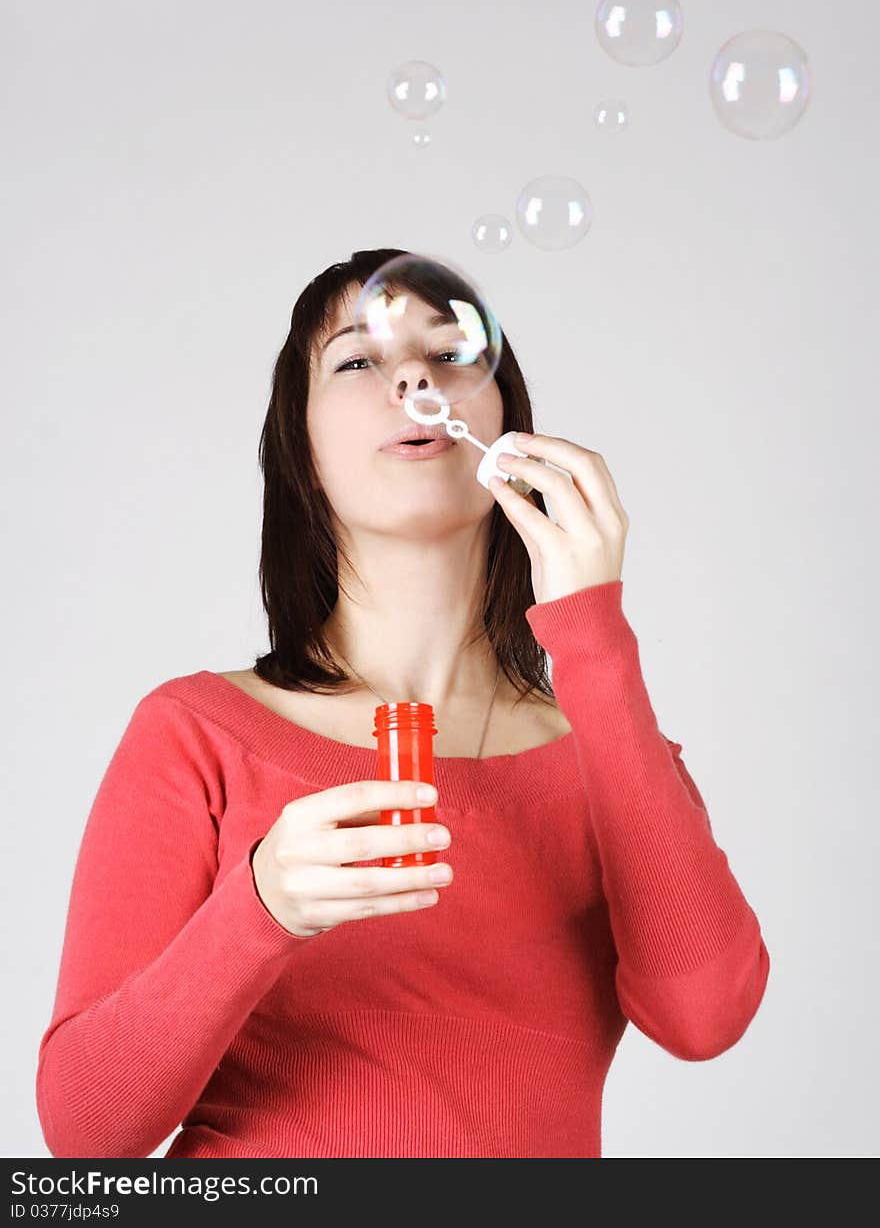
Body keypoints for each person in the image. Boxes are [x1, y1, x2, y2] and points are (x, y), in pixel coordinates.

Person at [35, 248, 770, 1159]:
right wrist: (259, 908)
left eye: (453, 353)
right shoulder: (198, 733)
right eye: (357, 360)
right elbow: (86, 1133)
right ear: (299, 454)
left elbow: (705, 1019)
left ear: (508, 432)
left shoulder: (610, 754)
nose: (415, 375)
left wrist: (592, 635)